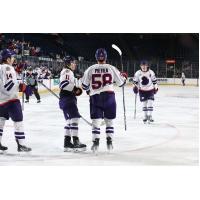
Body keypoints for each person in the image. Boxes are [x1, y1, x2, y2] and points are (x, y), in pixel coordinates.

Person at [81, 48, 127, 153]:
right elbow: (121, 84)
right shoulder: (111, 68)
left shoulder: (90, 68)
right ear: (105, 57)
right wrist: (124, 76)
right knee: (109, 121)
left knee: (96, 121)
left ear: (96, 57)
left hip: (95, 97)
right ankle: (109, 142)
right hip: (109, 97)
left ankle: (95, 143)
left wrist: (89, 90)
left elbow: (84, 86)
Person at [0, 49, 32, 152]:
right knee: (18, 121)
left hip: (1, 100)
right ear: (8, 59)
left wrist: (17, 70)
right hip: (11, 100)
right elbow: (9, 86)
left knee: (0, 122)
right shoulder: (8, 68)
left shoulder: (2, 67)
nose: (14, 59)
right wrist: (22, 87)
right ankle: (21, 144)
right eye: (12, 57)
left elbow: (5, 81)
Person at [59, 55, 86, 152]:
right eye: (73, 62)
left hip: (66, 98)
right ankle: (75, 141)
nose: (75, 64)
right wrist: (75, 89)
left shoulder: (68, 72)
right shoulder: (67, 71)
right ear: (68, 63)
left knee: (69, 120)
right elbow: (63, 84)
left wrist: (75, 90)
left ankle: (67, 142)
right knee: (75, 118)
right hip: (68, 99)